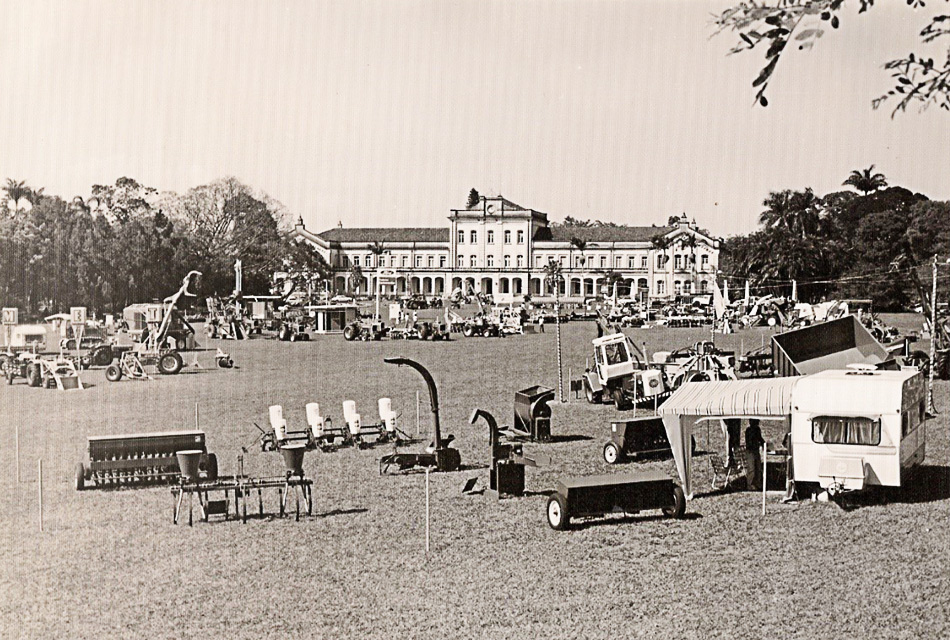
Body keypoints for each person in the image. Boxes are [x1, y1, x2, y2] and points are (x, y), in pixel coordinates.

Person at [745, 419, 765, 490]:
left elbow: (760, 438)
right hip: (750, 451)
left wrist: (764, 444)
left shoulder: (757, 429)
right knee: (752, 469)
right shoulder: (749, 430)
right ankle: (750, 484)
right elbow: (750, 442)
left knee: (758, 468)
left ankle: (758, 483)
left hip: (756, 451)